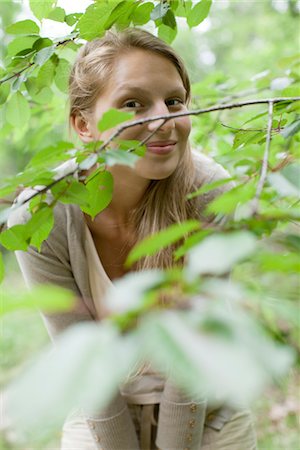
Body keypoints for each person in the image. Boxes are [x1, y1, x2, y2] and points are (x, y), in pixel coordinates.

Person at [9, 28, 257, 450]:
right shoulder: (40, 215)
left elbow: (190, 364)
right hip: (101, 410)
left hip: (209, 411)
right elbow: (86, 370)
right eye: (133, 103)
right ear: (83, 124)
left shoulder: (210, 191)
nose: (163, 120)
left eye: (174, 101)